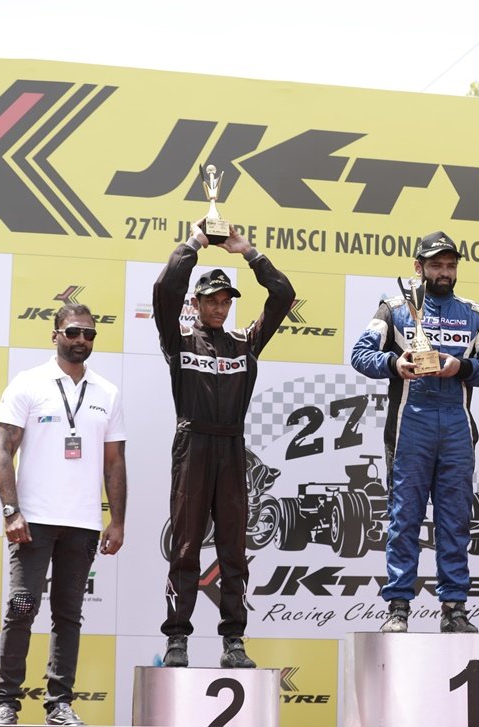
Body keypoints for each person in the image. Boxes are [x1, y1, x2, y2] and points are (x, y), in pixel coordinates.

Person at [154, 220, 294, 668]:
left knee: (234, 548)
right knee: (186, 546)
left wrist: (248, 252)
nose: (218, 308)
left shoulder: (244, 343)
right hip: (192, 445)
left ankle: (233, 640)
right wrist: (196, 242)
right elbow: (165, 287)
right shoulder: (176, 339)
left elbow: (283, 296)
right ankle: (177, 639)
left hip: (232, 449)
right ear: (195, 304)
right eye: (210, 301)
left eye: (224, 301)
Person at [351, 231, 479, 634]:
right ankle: (398, 606)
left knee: (455, 520)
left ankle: (454, 607)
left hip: (455, 424)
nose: (444, 272)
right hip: (410, 425)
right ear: (418, 267)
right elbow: (359, 354)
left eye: (450, 265)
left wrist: (462, 368)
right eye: (436, 265)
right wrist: (394, 364)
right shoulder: (395, 308)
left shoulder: (475, 313)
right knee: (405, 517)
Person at [0, 304, 127, 726]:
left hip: (82, 525)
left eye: (88, 333)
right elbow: (2, 450)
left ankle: (59, 704)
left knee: (68, 615)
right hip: (33, 523)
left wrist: (117, 521)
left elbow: (115, 462)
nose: (81, 339)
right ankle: (7, 703)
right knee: (22, 607)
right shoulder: (29, 383)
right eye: (73, 332)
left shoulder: (108, 392)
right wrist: (11, 512)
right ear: (55, 335)